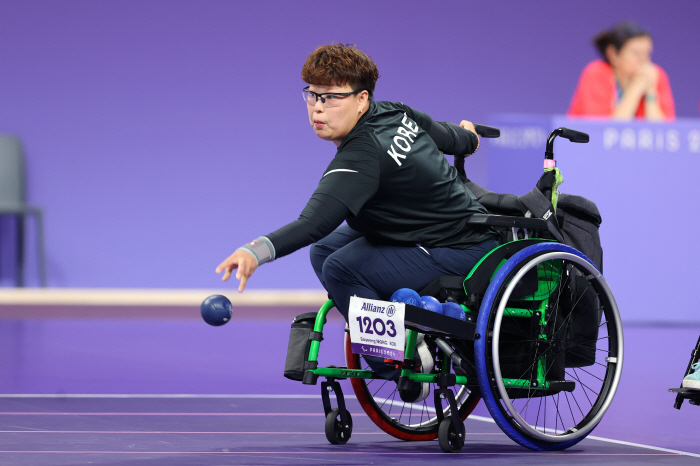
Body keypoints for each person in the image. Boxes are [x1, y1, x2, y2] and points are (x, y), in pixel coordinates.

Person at [215, 43, 498, 388]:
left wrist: (253, 251)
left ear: (361, 99)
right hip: (437, 228)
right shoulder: (396, 113)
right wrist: (470, 137)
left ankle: (399, 359)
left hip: (457, 249)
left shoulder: (361, 156)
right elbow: (454, 138)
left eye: (332, 97)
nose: (318, 108)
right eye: (313, 95)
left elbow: (313, 224)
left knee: (339, 266)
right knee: (324, 251)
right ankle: (399, 326)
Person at [567, 22, 675, 120]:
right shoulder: (596, 73)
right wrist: (635, 89)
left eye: (647, 53)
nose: (643, 61)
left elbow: (663, 133)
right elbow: (602, 132)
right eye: (635, 54)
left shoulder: (656, 75)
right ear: (613, 54)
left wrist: (651, 93)